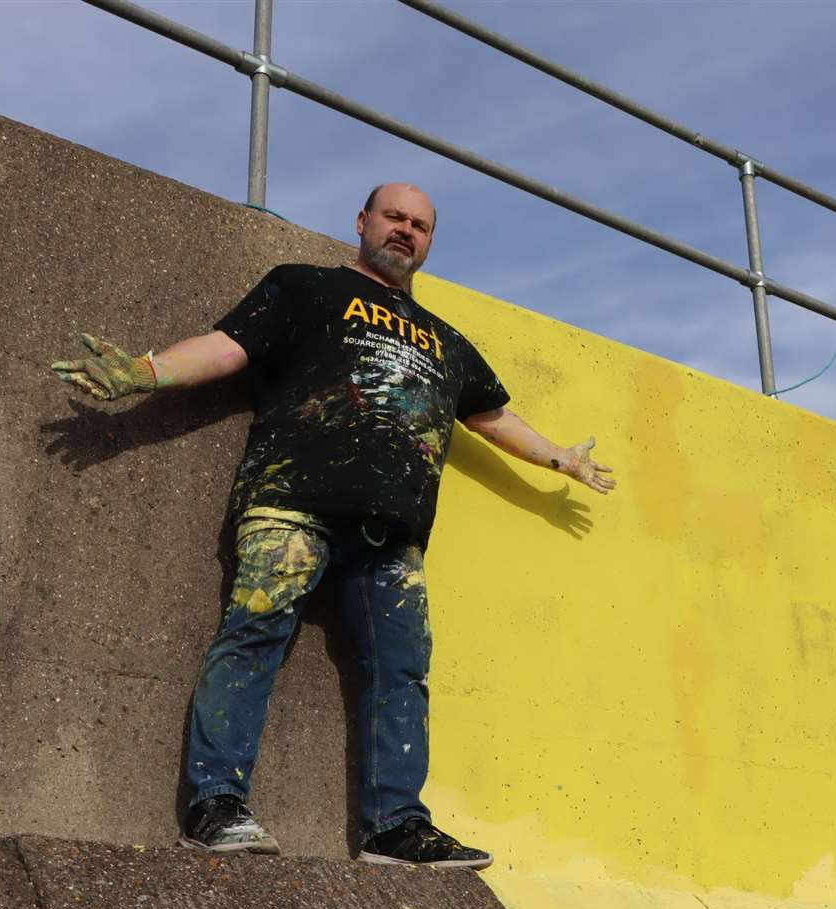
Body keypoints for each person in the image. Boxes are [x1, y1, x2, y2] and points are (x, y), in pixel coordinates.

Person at [51, 182, 616, 869]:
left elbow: (490, 417)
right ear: (363, 222)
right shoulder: (304, 287)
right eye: (395, 217)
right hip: (293, 501)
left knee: (401, 671)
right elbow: (227, 347)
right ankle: (214, 807)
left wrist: (560, 459)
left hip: (392, 534)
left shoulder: (447, 342)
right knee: (254, 635)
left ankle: (396, 829)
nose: (406, 231)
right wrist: (146, 372)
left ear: (429, 242)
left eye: (420, 225)